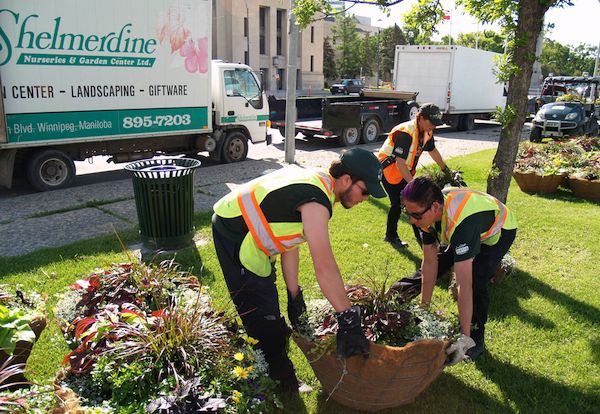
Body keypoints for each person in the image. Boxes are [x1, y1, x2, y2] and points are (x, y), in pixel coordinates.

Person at [211, 148, 385, 392]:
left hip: (247, 230)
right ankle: (281, 379)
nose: (365, 199)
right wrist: (348, 318)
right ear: (346, 179)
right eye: (365, 191)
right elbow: (324, 265)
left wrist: (294, 295)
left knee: (266, 303)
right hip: (235, 231)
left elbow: (290, 243)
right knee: (260, 309)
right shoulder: (316, 200)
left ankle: (271, 351)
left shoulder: (319, 183)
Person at [401, 177, 517, 363]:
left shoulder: (461, 224)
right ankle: (397, 297)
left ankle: (474, 340)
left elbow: (464, 285)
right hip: (462, 226)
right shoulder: (426, 213)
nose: (412, 221)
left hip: (499, 230)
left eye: (415, 216)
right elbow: (429, 263)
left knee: (477, 281)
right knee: (438, 262)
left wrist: (464, 336)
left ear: (435, 208)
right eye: (407, 213)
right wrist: (425, 308)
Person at [377, 103, 452, 248]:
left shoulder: (427, 131)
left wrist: (446, 170)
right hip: (390, 171)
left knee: (414, 202)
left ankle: (422, 238)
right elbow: (399, 163)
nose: (434, 126)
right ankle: (391, 236)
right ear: (421, 118)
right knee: (398, 203)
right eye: (432, 122)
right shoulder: (406, 133)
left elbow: (433, 150)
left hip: (404, 171)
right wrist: (413, 184)